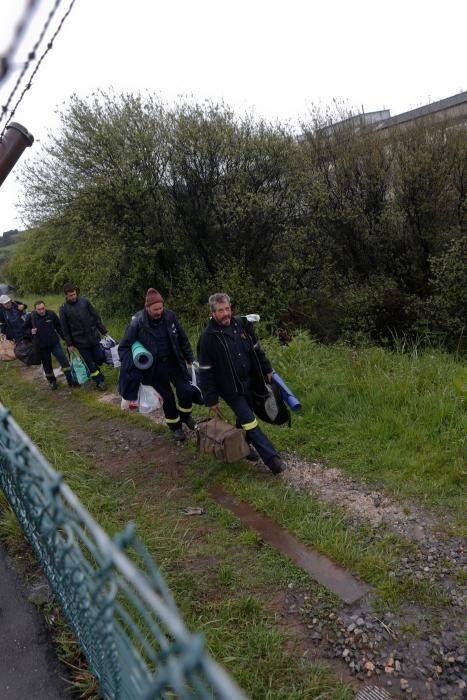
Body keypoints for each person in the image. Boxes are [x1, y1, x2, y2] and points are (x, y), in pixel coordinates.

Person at [197, 292, 287, 475]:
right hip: (231, 389)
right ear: (212, 313)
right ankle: (273, 461)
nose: (225, 314)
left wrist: (267, 370)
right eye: (220, 311)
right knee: (250, 421)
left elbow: (257, 350)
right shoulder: (208, 338)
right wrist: (211, 399)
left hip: (251, 381)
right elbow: (205, 371)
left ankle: (242, 448)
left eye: (227, 309)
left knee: (245, 419)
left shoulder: (242, 325)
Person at [118, 288, 196, 441]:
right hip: (155, 368)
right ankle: (176, 427)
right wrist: (131, 369)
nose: (159, 311)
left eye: (161, 308)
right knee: (167, 398)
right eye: (155, 309)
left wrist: (189, 356)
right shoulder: (138, 323)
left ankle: (186, 417)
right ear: (147, 308)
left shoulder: (170, 316)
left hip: (174, 362)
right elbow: (124, 347)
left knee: (186, 391)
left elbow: (182, 337)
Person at [59, 283, 108, 391]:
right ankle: (99, 381)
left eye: (74, 294)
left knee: (99, 357)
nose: (73, 297)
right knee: (90, 363)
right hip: (80, 341)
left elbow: (95, 317)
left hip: (93, 336)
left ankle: (98, 370)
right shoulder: (63, 309)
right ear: (66, 295)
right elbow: (64, 328)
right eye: (70, 295)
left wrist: (103, 330)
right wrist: (69, 344)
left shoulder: (85, 302)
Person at [23, 300, 76, 390]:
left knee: (63, 360)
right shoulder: (31, 317)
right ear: (35, 309)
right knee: (47, 365)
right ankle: (52, 382)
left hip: (54, 343)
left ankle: (70, 380)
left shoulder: (51, 314)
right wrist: (30, 332)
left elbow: (59, 328)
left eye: (43, 308)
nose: (42, 311)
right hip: (41, 347)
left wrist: (67, 341)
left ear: (45, 307)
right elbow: (24, 330)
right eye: (39, 309)